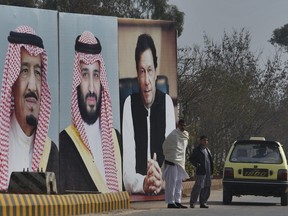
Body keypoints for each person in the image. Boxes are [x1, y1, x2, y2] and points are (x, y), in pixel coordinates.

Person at [59, 31, 122, 193]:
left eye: (96, 75)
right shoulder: (65, 142)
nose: (92, 88)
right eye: (85, 75)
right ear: (77, 83)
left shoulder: (116, 139)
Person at [0, 26, 58, 191]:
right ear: (12, 83)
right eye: (24, 71)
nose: (32, 85)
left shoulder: (51, 152)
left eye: (38, 73)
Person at [122, 33, 176, 194]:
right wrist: (144, 182)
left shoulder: (166, 102)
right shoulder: (129, 105)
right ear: (137, 75)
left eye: (150, 70)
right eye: (142, 71)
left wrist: (161, 181)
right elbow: (127, 173)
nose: (146, 80)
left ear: (156, 72)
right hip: (138, 198)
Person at [162, 119, 190, 208]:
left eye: (185, 125)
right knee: (171, 183)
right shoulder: (173, 135)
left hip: (180, 162)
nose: (183, 127)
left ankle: (177, 201)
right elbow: (165, 147)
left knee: (178, 183)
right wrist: (170, 156)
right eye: (182, 125)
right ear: (178, 125)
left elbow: (182, 149)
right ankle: (170, 202)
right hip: (172, 161)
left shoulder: (185, 135)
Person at [189, 135, 214, 208]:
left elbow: (210, 161)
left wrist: (212, 171)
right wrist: (197, 164)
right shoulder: (197, 150)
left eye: (206, 140)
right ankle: (192, 202)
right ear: (200, 141)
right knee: (198, 187)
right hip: (201, 172)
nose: (205, 142)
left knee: (207, 187)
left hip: (208, 172)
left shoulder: (208, 150)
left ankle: (203, 202)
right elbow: (191, 159)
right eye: (204, 140)